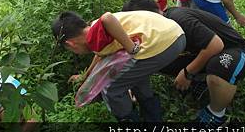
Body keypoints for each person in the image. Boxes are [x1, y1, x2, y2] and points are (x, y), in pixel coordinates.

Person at [122, 0, 245, 125]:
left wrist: (187, 73)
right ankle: (201, 84)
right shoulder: (159, 30)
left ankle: (216, 114)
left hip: (233, 49)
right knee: (157, 59)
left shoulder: (178, 18)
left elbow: (216, 44)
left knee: (217, 67)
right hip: (204, 51)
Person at [51, 10, 186, 122]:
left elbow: (107, 18)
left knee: (110, 88)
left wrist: (131, 48)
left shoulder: (95, 32)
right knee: (133, 77)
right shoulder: (94, 30)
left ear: (70, 44)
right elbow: (100, 55)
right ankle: (154, 123)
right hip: (174, 34)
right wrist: (85, 76)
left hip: (163, 43)